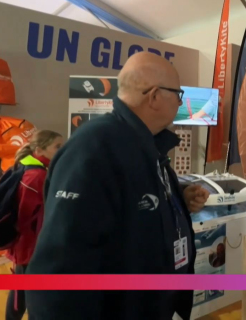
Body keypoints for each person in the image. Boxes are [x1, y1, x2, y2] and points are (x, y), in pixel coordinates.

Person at [25, 52, 210, 320]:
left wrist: (179, 199)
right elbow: (59, 270)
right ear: (155, 96)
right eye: (178, 95)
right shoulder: (94, 149)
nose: (181, 104)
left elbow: (134, 203)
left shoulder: (147, 144)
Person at [5, 130, 63, 320]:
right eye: (57, 147)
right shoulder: (36, 176)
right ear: (40, 150)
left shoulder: (32, 169)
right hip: (31, 246)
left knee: (22, 292)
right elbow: (26, 215)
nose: (62, 150)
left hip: (28, 245)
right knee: (29, 295)